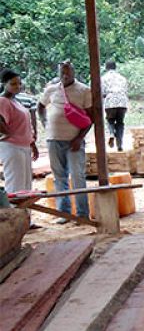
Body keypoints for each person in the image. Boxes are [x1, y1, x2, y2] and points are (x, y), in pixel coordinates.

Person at [38, 61, 93, 221]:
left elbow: (91, 117)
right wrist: (45, 122)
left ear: (74, 72)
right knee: (59, 177)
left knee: (78, 176)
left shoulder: (84, 90)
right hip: (53, 139)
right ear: (58, 73)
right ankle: (64, 213)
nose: (65, 75)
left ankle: (82, 214)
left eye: (68, 72)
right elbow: (40, 106)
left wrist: (79, 138)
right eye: (62, 72)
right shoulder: (51, 89)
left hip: (74, 141)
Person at [0, 69, 38, 193]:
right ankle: (12, 207)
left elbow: (25, 124)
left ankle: (24, 207)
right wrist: (11, 133)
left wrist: (32, 143)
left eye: (19, 83)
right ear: (4, 84)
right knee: (16, 185)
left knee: (26, 185)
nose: (17, 86)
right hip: (12, 147)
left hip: (24, 146)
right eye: (13, 84)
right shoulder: (3, 101)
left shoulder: (16, 101)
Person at [101, 60, 129, 151]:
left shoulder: (103, 78)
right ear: (115, 67)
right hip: (122, 102)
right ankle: (119, 144)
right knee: (120, 122)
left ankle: (111, 134)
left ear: (106, 68)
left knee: (110, 120)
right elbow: (125, 91)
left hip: (110, 101)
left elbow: (102, 92)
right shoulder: (122, 78)